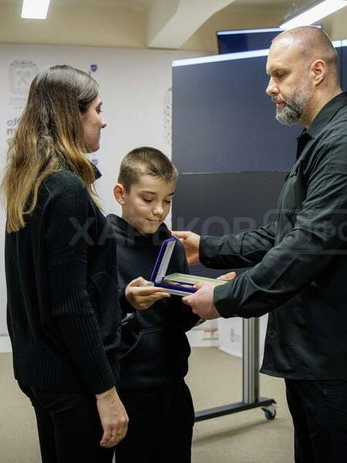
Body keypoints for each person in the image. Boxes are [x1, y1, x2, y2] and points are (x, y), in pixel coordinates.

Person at [174, 27, 347, 463]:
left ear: (317, 71)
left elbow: (306, 246)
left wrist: (226, 298)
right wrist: (205, 248)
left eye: (280, 74)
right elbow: (281, 234)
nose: (270, 88)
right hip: (317, 352)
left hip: (343, 358)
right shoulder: (322, 140)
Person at [2, 64, 128, 462]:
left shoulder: (31, 181)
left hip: (41, 369)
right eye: (97, 109)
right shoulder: (66, 189)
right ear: (72, 115)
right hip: (72, 377)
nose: (103, 121)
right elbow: (70, 304)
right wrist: (105, 392)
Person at [107, 147, 233, 463]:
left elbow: (177, 319)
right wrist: (126, 302)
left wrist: (208, 299)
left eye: (167, 200)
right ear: (121, 194)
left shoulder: (171, 247)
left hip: (173, 381)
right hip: (126, 387)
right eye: (148, 199)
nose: (158, 211)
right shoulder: (102, 245)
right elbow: (92, 318)